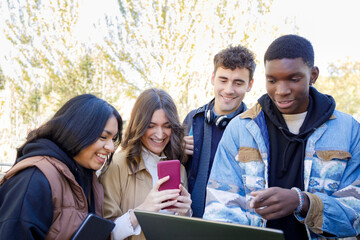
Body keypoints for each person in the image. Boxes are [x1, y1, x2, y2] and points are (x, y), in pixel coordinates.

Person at [203, 34, 360, 239]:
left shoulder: (349, 130)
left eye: (293, 79)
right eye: (272, 80)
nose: (281, 90)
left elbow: (355, 214)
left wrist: (303, 202)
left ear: (313, 75)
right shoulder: (240, 129)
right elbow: (220, 210)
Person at [0, 94, 122, 239]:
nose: (111, 147)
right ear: (77, 131)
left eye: (113, 139)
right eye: (103, 137)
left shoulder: (87, 178)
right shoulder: (34, 179)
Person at [100, 88, 192, 240]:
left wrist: (185, 213)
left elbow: (182, 233)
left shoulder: (179, 169)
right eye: (151, 126)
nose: (160, 134)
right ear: (139, 125)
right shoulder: (117, 165)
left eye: (167, 126)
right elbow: (106, 233)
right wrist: (143, 210)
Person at [183, 45, 256, 217]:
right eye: (223, 80)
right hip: (190, 222)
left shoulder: (254, 129)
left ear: (250, 85)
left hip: (230, 225)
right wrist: (178, 151)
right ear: (212, 78)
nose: (229, 90)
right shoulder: (193, 119)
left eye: (238, 83)